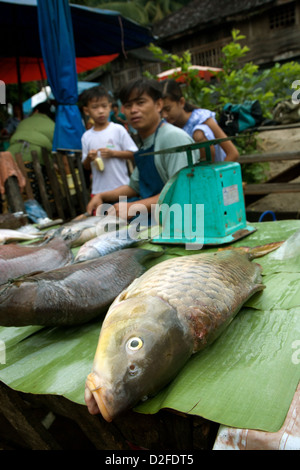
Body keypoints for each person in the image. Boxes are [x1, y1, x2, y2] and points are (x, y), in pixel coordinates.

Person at [86, 78, 199, 221]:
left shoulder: (172, 138)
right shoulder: (146, 142)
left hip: (179, 223)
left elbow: (181, 191)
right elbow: (134, 187)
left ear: (158, 104)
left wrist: (134, 206)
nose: (134, 110)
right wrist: (101, 196)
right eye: (128, 105)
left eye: (140, 103)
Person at [160, 79, 239, 162]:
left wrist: (218, 174)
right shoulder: (166, 127)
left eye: (168, 109)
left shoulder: (202, 118)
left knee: (199, 133)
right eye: (161, 111)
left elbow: (233, 153)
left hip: (216, 170)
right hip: (189, 173)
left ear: (181, 102)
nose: (164, 115)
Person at [81, 86, 138, 197]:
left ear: (110, 107)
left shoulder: (118, 129)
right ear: (87, 111)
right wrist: (89, 157)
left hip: (122, 189)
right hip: (98, 191)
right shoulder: (86, 136)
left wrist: (113, 153)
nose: (101, 111)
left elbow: (134, 154)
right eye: (95, 107)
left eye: (104, 106)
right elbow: (86, 166)